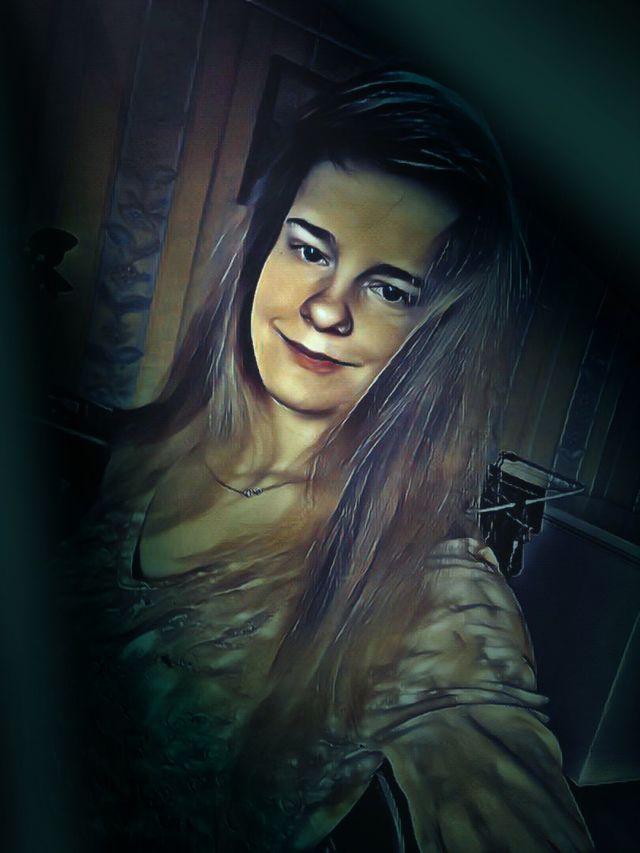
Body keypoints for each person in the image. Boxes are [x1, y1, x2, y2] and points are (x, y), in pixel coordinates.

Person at [54, 69, 594, 851]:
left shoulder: (431, 591)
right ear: (263, 245)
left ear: (435, 336)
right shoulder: (141, 446)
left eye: (391, 289)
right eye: (310, 249)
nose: (326, 307)